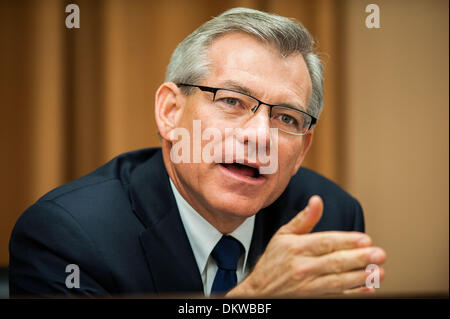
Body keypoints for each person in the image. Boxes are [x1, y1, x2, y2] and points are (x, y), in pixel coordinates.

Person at [9, 7, 385, 297]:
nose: (259, 136)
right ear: (170, 112)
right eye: (232, 101)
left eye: (286, 118)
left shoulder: (331, 218)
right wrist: (254, 298)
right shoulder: (67, 236)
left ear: (302, 149)